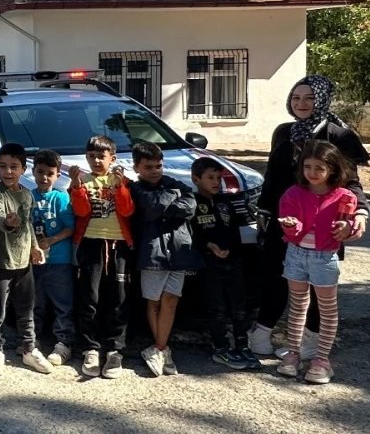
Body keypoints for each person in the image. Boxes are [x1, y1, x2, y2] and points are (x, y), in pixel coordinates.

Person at [251, 75, 370, 360]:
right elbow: (272, 178)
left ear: (321, 99)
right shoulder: (284, 132)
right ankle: (260, 335)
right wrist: (264, 214)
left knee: (318, 286)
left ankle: (312, 342)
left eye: (308, 98)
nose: (301, 104)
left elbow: (352, 182)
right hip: (286, 221)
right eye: (295, 98)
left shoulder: (338, 135)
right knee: (276, 277)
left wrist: (361, 213)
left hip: (325, 224)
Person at [275, 140, 357, 385]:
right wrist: (291, 225)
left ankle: (321, 360)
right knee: (298, 306)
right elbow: (291, 227)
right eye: (307, 166)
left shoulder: (345, 196)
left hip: (324, 258)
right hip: (296, 254)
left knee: (326, 309)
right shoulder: (293, 193)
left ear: (332, 169)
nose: (312, 173)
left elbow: (348, 226)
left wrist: (348, 227)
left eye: (319, 168)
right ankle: (293, 354)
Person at [128, 142, 201, 378]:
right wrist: (172, 198)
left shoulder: (174, 184)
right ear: (137, 167)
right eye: (148, 167)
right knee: (154, 301)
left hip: (178, 251)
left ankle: (160, 348)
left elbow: (190, 206)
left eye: (158, 166)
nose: (155, 171)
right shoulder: (137, 189)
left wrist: (169, 204)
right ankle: (160, 347)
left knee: (171, 300)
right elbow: (151, 207)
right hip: (152, 254)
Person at [68, 134, 135, 380]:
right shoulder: (82, 181)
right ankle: (90, 348)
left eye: (101, 156)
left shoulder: (123, 180)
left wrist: (121, 186)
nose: (97, 161)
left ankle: (115, 350)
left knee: (119, 297)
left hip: (119, 246)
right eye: (92, 156)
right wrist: (76, 186)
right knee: (90, 297)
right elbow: (81, 210)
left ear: (112, 158)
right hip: (91, 244)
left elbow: (127, 210)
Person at [190, 157, 261, 371]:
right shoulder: (193, 204)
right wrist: (210, 246)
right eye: (210, 177)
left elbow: (237, 230)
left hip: (233, 261)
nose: (216, 182)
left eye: (219, 178)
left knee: (239, 307)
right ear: (196, 179)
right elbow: (193, 234)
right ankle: (221, 348)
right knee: (217, 308)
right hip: (209, 265)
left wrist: (233, 248)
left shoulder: (225, 202)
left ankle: (242, 345)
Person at [0, 143, 49, 376]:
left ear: (23, 169)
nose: (8, 171)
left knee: (26, 308)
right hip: (1, 263)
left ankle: (29, 349)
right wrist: (8, 223)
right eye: (3, 166)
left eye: (14, 167)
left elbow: (29, 223)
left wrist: (34, 248)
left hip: (24, 263)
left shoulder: (26, 194)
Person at [28, 149, 76, 368]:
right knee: (35, 302)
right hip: (35, 261)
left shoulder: (61, 197)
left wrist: (51, 240)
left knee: (62, 303)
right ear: (33, 171)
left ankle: (63, 342)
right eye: (40, 172)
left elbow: (70, 227)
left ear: (57, 175)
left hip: (59, 260)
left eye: (50, 173)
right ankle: (32, 340)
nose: (44, 177)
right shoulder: (28, 196)